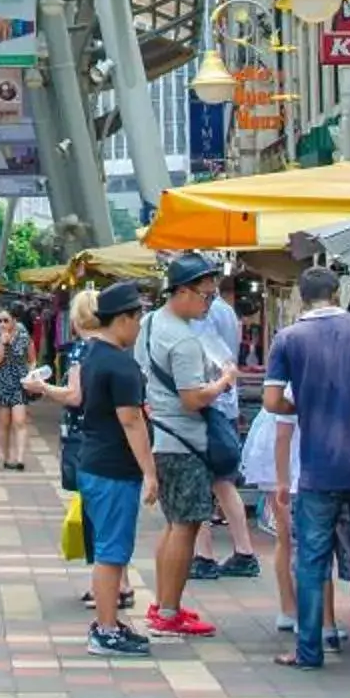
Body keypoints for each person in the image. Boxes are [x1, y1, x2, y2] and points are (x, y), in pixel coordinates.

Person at [261, 264, 350, 670]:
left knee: (312, 556)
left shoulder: (287, 340)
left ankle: (309, 651)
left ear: (301, 297)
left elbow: (272, 403)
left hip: (319, 465)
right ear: (337, 294)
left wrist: (302, 407)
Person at [25, 279, 156, 656]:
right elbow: (131, 421)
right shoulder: (121, 365)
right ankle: (106, 629)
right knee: (112, 553)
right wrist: (150, 471)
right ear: (123, 319)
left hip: (93, 461)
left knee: (109, 550)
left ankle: (110, 622)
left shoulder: (92, 355)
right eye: (138, 318)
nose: (139, 326)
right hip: (115, 468)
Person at [135, 256, 238, 639]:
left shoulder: (149, 325)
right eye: (205, 296)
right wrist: (225, 380)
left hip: (163, 435)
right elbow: (193, 399)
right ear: (180, 292)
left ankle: (164, 603)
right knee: (187, 525)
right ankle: (167, 612)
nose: (208, 304)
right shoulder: (182, 338)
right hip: (185, 441)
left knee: (176, 523)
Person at [243, 400, 350, 648]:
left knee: (291, 537)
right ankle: (308, 616)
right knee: (302, 540)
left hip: (283, 439)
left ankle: (296, 612)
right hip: (291, 443)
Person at [191, 265, 264, 580]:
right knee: (223, 481)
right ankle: (244, 551)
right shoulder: (227, 313)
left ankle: (203, 555)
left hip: (209, 404)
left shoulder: (204, 313)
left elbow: (200, 356)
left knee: (200, 480)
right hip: (226, 405)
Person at [0, 304, 35, 471]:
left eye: (5, 320)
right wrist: (3, 344)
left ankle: (20, 458)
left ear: (14, 320)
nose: (1, 324)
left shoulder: (24, 337)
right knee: (4, 423)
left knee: (20, 421)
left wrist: (31, 374)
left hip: (20, 383)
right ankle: (5, 456)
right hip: (2, 383)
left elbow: (32, 359)